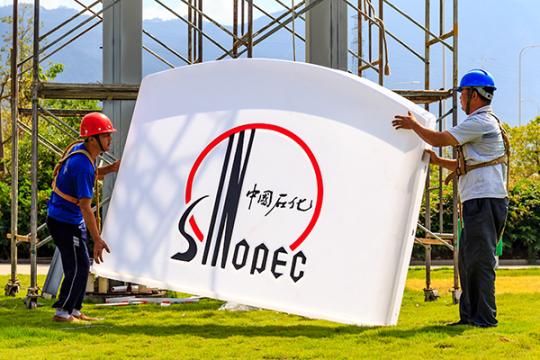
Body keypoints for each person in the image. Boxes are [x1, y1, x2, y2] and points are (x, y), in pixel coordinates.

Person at [392, 69, 509, 328]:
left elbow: (441, 138)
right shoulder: (481, 122)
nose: (460, 99)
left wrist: (414, 126)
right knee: (468, 259)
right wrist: (440, 163)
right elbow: (470, 162)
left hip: (486, 199)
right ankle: (469, 317)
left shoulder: (481, 122)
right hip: (478, 199)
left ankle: (485, 318)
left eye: (463, 94)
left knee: (480, 260)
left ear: (474, 96)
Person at [47, 112, 120, 322]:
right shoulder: (82, 166)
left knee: (82, 265)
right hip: (64, 222)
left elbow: (90, 174)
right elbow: (87, 208)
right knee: (76, 266)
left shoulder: (82, 153)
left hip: (67, 219)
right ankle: (62, 312)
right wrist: (97, 239)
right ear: (92, 138)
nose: (109, 139)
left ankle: (75, 310)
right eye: (106, 135)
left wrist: (110, 169)